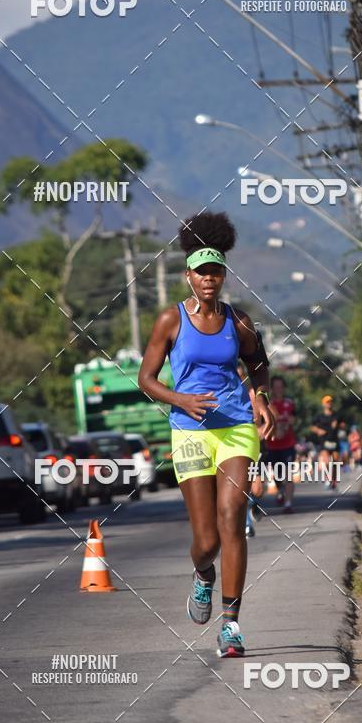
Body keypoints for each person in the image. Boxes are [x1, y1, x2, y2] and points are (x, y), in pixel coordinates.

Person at [138, 211, 275, 658]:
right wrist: (181, 400)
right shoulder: (170, 321)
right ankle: (203, 576)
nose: (209, 279)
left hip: (235, 427)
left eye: (216, 271)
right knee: (207, 541)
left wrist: (261, 399)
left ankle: (231, 624)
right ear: (189, 277)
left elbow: (258, 363)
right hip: (190, 431)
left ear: (223, 275)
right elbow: (146, 378)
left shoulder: (240, 322)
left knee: (232, 514)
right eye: (202, 272)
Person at [237, 362, 265, 538]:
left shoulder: (254, 395)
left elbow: (270, 414)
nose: (238, 380)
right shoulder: (224, 396)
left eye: (241, 376)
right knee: (240, 488)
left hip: (254, 447)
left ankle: (254, 504)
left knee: (257, 489)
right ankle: (246, 525)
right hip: (235, 447)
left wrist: (262, 429)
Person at [264, 375, 297, 513]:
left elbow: (293, 419)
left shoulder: (289, 403)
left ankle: (288, 504)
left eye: (281, 387)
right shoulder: (267, 404)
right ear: (272, 389)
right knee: (278, 476)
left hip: (288, 444)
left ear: (284, 388)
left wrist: (286, 425)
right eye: (276, 387)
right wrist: (275, 429)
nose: (278, 389)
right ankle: (280, 490)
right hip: (272, 446)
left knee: (288, 474)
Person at [309, 395, 340, 489]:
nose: (329, 404)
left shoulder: (336, 415)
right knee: (326, 461)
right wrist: (318, 431)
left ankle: (333, 480)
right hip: (323, 441)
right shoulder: (319, 416)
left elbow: (343, 424)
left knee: (334, 462)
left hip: (334, 441)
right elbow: (312, 427)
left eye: (330, 402)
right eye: (327, 402)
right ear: (323, 404)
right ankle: (328, 478)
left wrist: (339, 425)